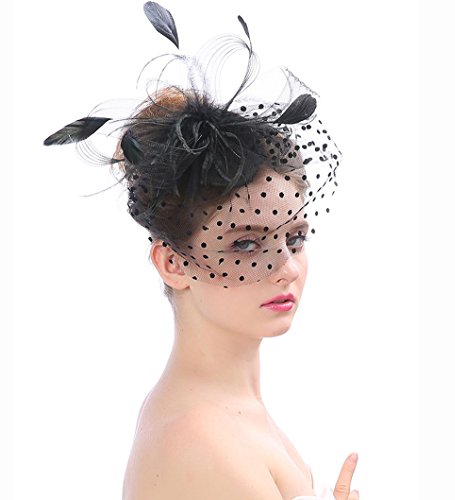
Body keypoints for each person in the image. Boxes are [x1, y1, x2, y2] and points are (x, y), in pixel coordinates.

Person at [44, 3, 359, 499]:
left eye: (295, 237)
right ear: (172, 263)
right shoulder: (201, 439)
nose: (286, 268)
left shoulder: (225, 408)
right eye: (247, 243)